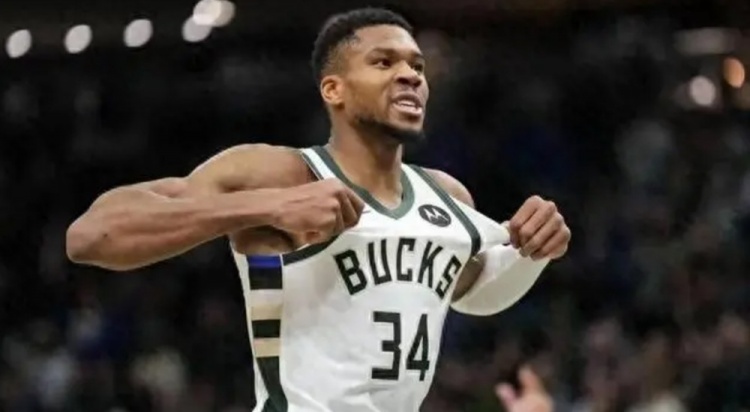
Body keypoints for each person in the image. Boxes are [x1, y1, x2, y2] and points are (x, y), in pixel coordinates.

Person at [65, 7, 570, 412]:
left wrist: (532, 251)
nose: (410, 76)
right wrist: (266, 206)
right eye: (384, 63)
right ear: (334, 90)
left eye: (417, 66)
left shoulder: (447, 195)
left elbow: (474, 292)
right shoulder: (282, 173)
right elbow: (92, 236)